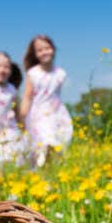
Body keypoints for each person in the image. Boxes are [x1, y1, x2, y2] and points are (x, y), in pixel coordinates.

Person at [19, 35, 72, 168]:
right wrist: (22, 116)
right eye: (40, 50)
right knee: (44, 144)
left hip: (58, 114)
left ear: (53, 49)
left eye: (47, 48)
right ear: (35, 54)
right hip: (39, 115)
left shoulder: (61, 73)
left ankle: (51, 171)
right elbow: (27, 97)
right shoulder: (33, 73)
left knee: (58, 146)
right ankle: (39, 171)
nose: (44, 52)